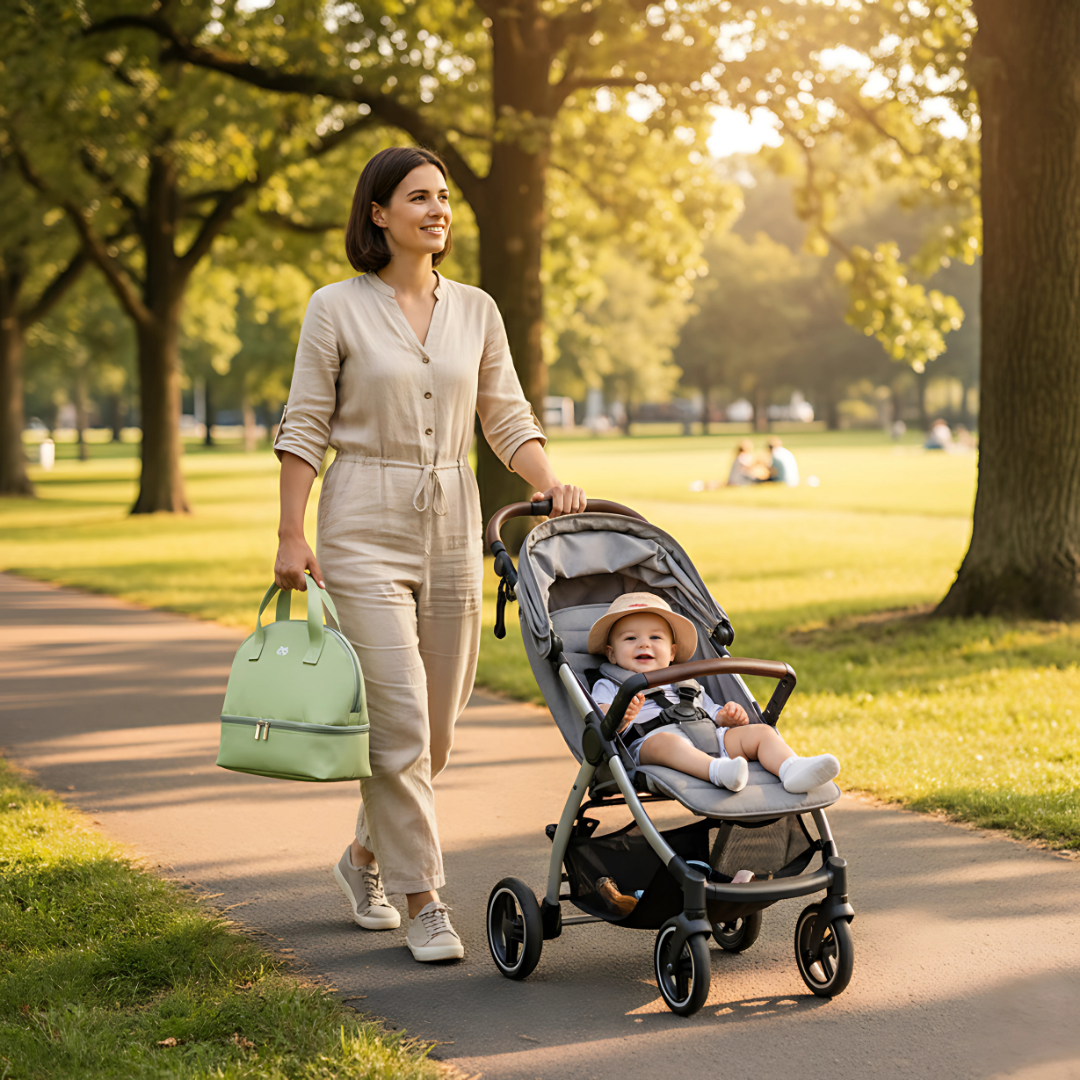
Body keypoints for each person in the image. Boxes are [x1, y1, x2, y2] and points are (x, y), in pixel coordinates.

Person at [273, 147, 586, 963]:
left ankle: (362, 859)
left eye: (443, 197)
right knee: (400, 722)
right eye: (418, 197)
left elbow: (506, 415)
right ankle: (425, 904)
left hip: (455, 518)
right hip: (360, 520)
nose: (437, 209)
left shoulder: (477, 310)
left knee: (436, 731)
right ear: (379, 214)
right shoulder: (334, 309)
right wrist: (290, 532)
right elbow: (304, 424)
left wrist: (550, 480)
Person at [588, 594, 840, 794]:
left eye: (655, 637)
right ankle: (718, 772)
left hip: (709, 736)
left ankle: (791, 768)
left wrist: (726, 717)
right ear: (611, 654)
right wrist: (621, 714)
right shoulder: (611, 683)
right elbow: (603, 722)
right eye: (631, 638)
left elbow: (710, 712)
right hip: (650, 743)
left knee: (761, 732)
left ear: (672, 652)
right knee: (666, 743)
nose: (644, 644)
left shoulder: (686, 681)